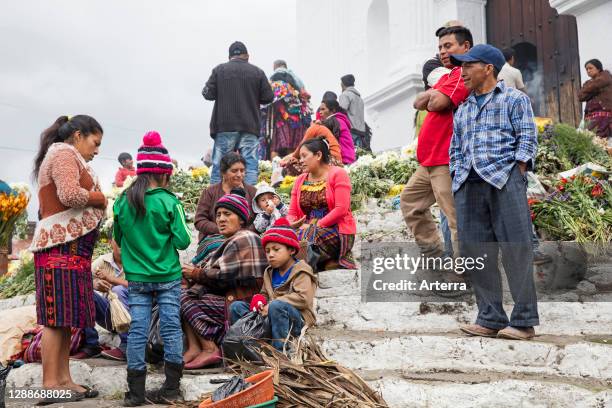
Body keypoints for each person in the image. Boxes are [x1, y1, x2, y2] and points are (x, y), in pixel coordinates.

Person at [450, 44, 539, 341]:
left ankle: (524, 321)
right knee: (477, 252)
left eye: (468, 65)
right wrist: (457, 175)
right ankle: (490, 318)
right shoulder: (463, 108)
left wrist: (519, 170)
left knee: (516, 248)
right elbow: (455, 149)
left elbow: (527, 137)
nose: (462, 72)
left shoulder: (514, 100)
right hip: (469, 184)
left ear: (488, 68)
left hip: (504, 180)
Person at [30, 115, 106, 402]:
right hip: (57, 251)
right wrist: (100, 198)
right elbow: (71, 195)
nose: (97, 150)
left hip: (71, 252)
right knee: (54, 318)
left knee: (64, 318)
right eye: (95, 142)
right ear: (78, 135)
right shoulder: (63, 153)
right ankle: (51, 382)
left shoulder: (70, 156)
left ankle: (64, 379)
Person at [113, 131, 192, 405]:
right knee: (170, 327)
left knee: (138, 330)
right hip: (168, 276)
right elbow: (183, 240)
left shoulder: (123, 202)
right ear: (165, 173)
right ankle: (171, 389)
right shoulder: (169, 202)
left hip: (137, 279)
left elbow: (118, 242)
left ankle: (135, 394)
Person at [400, 26, 473, 261]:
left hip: (446, 158)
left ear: (465, 47)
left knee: (455, 218)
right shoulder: (448, 76)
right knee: (410, 202)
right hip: (428, 160)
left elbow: (437, 103)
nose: (442, 51)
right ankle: (435, 256)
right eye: (440, 47)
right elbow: (417, 102)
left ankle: (465, 272)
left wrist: (433, 95)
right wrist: (432, 95)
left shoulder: (464, 73)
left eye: (448, 46)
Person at [181, 189, 267, 369]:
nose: (220, 219)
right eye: (218, 215)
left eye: (227, 214)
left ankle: (209, 348)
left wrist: (196, 274)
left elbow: (224, 277)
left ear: (242, 219)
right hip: (230, 297)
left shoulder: (245, 238)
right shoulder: (231, 240)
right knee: (181, 293)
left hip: (240, 304)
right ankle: (195, 347)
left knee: (182, 297)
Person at [230, 218, 317, 351]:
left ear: (291, 250)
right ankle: (247, 347)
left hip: (295, 320)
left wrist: (271, 305)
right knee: (236, 307)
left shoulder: (301, 270)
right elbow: (265, 293)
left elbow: (303, 298)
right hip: (272, 315)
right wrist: (260, 300)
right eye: (268, 251)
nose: (271, 255)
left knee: (276, 306)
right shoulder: (269, 272)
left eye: (276, 249)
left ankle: (280, 351)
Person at [203, 41, 274, 185]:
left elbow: (207, 94)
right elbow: (268, 97)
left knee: (219, 167)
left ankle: (217, 201)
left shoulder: (219, 70)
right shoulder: (257, 72)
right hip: (249, 126)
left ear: (229, 57)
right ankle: (247, 201)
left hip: (224, 125)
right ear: (247, 56)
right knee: (250, 166)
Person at [288, 138, 356, 272]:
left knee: (307, 237)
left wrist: (314, 225)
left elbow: (341, 210)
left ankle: (300, 276)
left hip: (335, 229)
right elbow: (292, 213)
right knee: (282, 238)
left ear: (318, 155)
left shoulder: (338, 174)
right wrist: (290, 224)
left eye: (304, 156)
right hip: (306, 228)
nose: (300, 160)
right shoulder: (300, 180)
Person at [74, 238, 129, 361]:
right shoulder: (102, 261)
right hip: (110, 317)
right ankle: (91, 345)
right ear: (110, 242)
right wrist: (94, 284)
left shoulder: (137, 261)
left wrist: (112, 279)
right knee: (82, 290)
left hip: (134, 318)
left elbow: (142, 285)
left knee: (118, 290)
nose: (122, 242)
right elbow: (81, 278)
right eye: (119, 238)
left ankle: (127, 345)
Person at [194, 152, 257, 240]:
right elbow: (199, 220)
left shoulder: (252, 192)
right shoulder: (210, 192)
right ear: (223, 173)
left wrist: (242, 233)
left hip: (245, 238)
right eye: (234, 171)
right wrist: (223, 230)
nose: (239, 175)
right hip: (215, 239)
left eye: (242, 171)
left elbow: (259, 219)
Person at [260, 59, 312, 160]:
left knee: (275, 148)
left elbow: (266, 102)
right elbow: (305, 100)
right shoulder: (297, 81)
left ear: (275, 67)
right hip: (297, 122)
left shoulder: (273, 80)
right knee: (292, 148)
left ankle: (272, 171)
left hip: (279, 121)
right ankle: (291, 172)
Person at [579, 59, 612, 154]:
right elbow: (581, 96)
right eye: (586, 69)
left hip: (604, 117)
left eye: (590, 68)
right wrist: (592, 88)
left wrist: (589, 89)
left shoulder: (606, 76)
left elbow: (598, 84)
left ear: (598, 68)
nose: (588, 71)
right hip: (590, 118)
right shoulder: (587, 83)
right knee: (591, 141)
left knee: (602, 141)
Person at [318, 98, 356, 165]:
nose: (320, 112)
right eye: (320, 110)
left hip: (344, 159)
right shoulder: (339, 120)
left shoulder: (335, 121)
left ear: (333, 110)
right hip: (349, 158)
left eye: (323, 109)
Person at [339, 74, 368, 150]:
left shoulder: (345, 95)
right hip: (361, 132)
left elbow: (341, 112)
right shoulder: (359, 98)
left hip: (351, 131)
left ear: (343, 84)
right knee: (359, 154)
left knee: (351, 156)